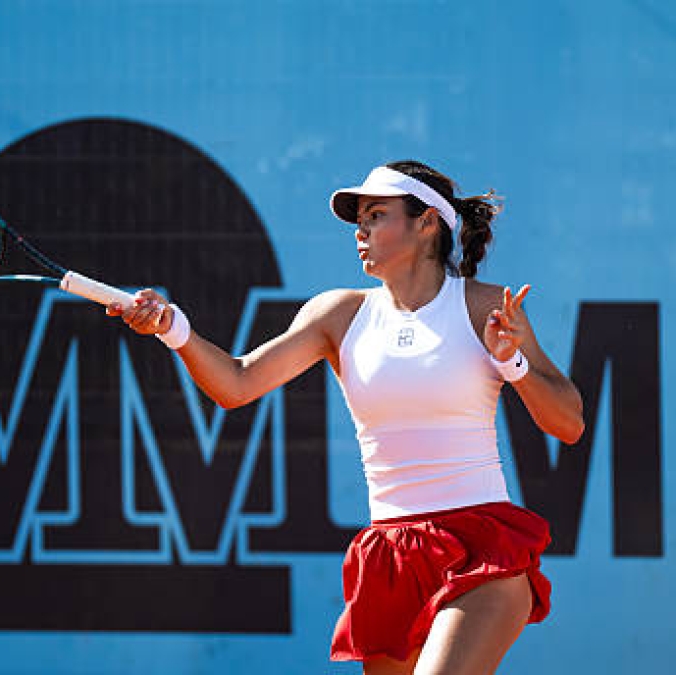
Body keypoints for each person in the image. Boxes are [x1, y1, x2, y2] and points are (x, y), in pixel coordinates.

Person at [108, 160, 585, 675]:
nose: (361, 230)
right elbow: (237, 383)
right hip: (391, 555)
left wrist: (511, 363)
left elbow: (568, 424)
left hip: (481, 553)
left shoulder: (485, 307)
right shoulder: (338, 315)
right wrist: (173, 328)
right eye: (360, 219)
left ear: (427, 223)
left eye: (377, 215)